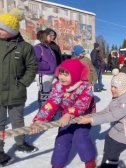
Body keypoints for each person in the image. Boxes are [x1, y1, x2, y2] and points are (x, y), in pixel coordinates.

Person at [32, 59, 97, 168]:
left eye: (66, 74)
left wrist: (68, 115)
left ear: (75, 74)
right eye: (60, 73)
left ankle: (90, 160)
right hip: (66, 117)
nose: (62, 77)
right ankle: (57, 164)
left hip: (83, 117)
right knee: (62, 140)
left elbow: (82, 104)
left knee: (80, 139)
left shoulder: (86, 86)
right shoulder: (58, 86)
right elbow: (52, 102)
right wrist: (40, 120)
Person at [78, 72, 126, 168]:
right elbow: (107, 110)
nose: (112, 89)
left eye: (115, 87)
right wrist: (90, 116)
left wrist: (91, 120)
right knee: (109, 140)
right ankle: (107, 162)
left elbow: (112, 115)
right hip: (122, 128)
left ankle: (109, 165)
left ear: (123, 88)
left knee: (113, 149)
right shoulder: (120, 97)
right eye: (112, 86)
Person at [0, 8, 38, 166]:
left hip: (16, 91)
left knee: (17, 120)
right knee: (0, 122)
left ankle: (20, 142)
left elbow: (32, 67)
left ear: (11, 31)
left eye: (2, 28)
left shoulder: (25, 47)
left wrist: (22, 83)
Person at [34, 29, 58, 94]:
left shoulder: (47, 47)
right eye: (49, 36)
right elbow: (34, 62)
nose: (52, 38)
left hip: (50, 74)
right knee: (44, 96)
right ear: (45, 36)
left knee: (49, 95)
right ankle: (42, 104)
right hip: (43, 75)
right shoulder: (38, 47)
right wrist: (47, 66)